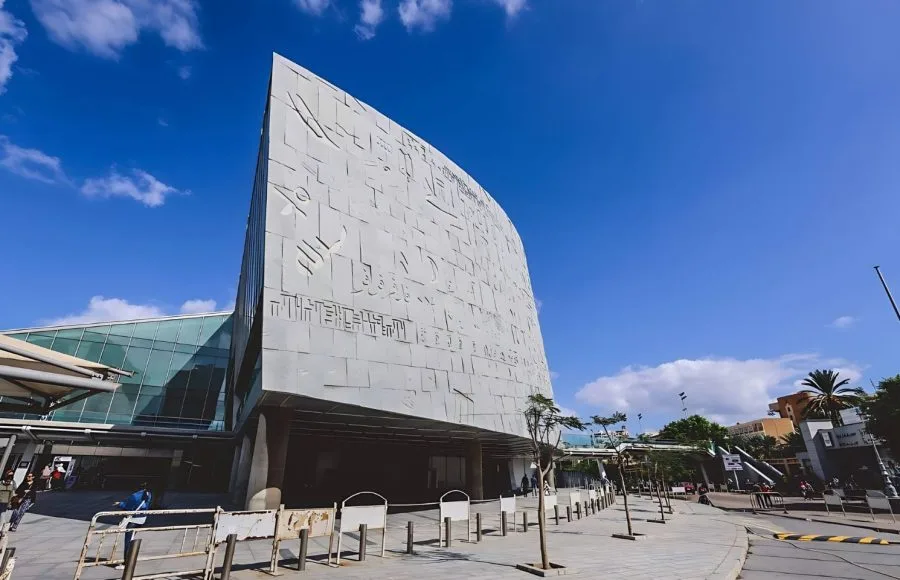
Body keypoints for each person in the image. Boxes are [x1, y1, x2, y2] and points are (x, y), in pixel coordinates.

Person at [115, 483, 152, 569]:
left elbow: (128, 508)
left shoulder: (135, 496)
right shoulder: (148, 494)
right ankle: (128, 561)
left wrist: (119, 504)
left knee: (128, 542)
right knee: (130, 540)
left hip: (133, 520)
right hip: (142, 519)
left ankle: (127, 563)